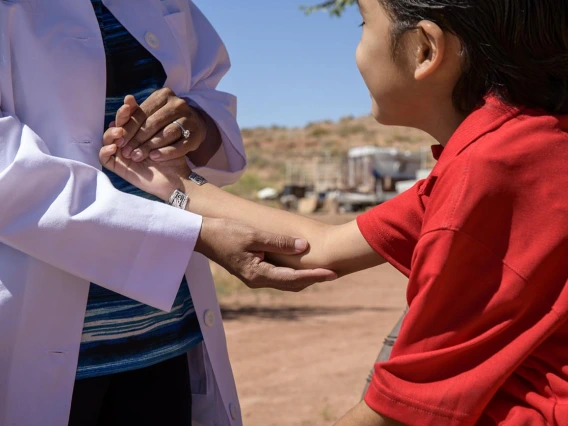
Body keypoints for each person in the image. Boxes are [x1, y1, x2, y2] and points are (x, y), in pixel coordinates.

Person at [101, 0, 568, 425]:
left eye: (364, 24)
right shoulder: (507, 150)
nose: (358, 47)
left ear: (425, 50)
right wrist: (175, 182)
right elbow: (320, 247)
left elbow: (402, 414)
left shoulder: (496, 172)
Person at [0, 1, 336, 425]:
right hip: (34, 347)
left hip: (164, 338)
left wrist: (194, 123)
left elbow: (206, 89)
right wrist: (191, 236)